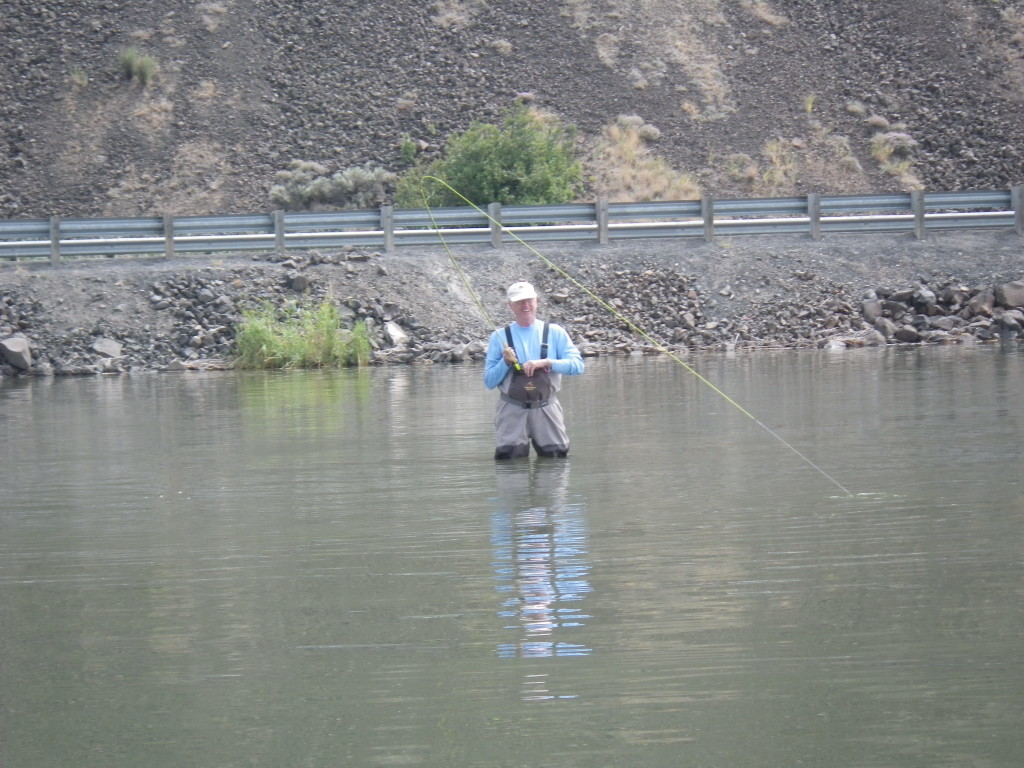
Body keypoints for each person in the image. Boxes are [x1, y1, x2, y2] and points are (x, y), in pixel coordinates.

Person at [484, 281, 584, 459]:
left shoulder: (555, 332)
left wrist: (546, 362)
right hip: (511, 409)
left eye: (529, 300)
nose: (526, 305)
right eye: (519, 302)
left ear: (537, 301)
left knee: (556, 460)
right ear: (510, 306)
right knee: (509, 462)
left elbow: (577, 366)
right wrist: (504, 363)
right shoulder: (498, 336)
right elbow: (489, 381)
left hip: (547, 408)